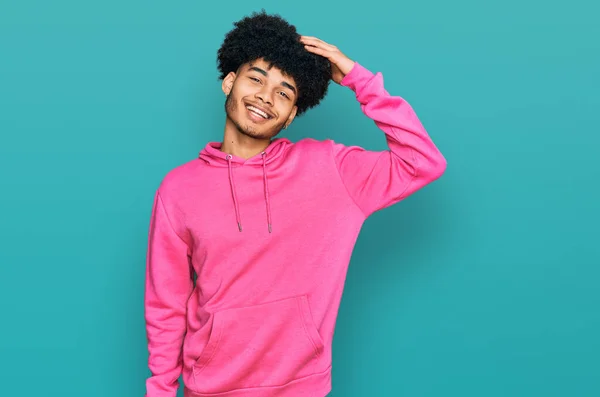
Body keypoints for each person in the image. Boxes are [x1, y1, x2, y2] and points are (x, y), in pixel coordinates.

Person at [144, 10, 447, 397]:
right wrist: (160, 391)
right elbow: (165, 307)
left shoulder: (332, 170)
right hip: (211, 388)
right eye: (256, 78)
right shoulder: (178, 190)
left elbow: (423, 161)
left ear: (290, 117)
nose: (265, 98)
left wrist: (359, 79)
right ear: (229, 82)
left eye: (284, 93)